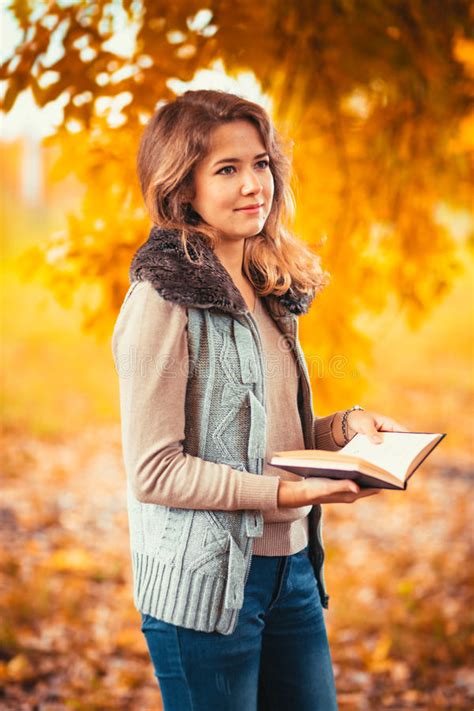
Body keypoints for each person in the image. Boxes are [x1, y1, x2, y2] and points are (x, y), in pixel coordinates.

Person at [111, 89, 408, 711]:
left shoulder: (268, 287)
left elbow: (266, 438)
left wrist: (346, 431)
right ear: (182, 187)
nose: (254, 185)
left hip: (291, 574)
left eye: (261, 164)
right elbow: (154, 471)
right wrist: (287, 493)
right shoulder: (162, 301)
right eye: (227, 169)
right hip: (207, 595)